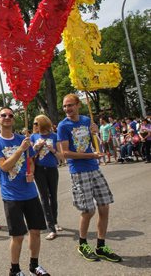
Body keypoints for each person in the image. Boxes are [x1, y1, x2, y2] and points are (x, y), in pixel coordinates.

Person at [57, 94, 122, 263]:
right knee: (88, 211)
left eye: (70, 105)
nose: (67, 109)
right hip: (79, 171)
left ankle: (101, 246)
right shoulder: (63, 126)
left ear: (78, 105)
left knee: (104, 206)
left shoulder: (87, 120)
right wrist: (90, 155)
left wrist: (95, 133)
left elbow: (94, 144)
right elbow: (65, 154)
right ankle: (83, 244)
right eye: (65, 106)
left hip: (94, 168)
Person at [0, 107, 50, 276]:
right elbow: (4, 166)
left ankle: (34, 265)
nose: (7, 117)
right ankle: (14, 270)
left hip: (30, 193)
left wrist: (30, 171)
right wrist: (20, 150)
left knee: (36, 231)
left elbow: (30, 160)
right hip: (11, 196)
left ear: (13, 119)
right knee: (18, 236)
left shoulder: (24, 139)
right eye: (3, 115)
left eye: (10, 115)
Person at [30, 115, 63, 241]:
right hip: (39, 170)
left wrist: (52, 150)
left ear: (42, 123)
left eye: (36, 123)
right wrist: (36, 148)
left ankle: (54, 221)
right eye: (34, 123)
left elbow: (61, 157)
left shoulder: (54, 136)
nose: (35, 125)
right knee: (44, 197)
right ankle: (51, 228)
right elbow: (30, 155)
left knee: (53, 197)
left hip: (52, 169)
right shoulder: (34, 136)